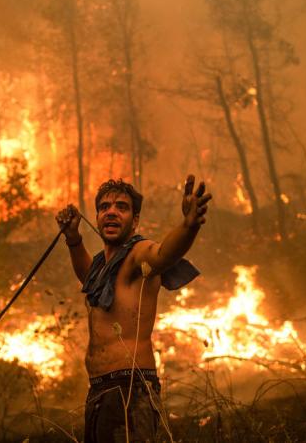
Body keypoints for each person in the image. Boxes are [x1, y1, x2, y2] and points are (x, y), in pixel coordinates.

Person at [56, 175, 212, 443]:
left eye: (121, 206)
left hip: (130, 388)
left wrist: (188, 226)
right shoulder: (101, 267)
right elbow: (87, 278)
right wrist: (73, 239)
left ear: (135, 220)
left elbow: (164, 254)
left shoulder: (137, 254)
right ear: (97, 217)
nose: (111, 212)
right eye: (104, 207)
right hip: (99, 389)